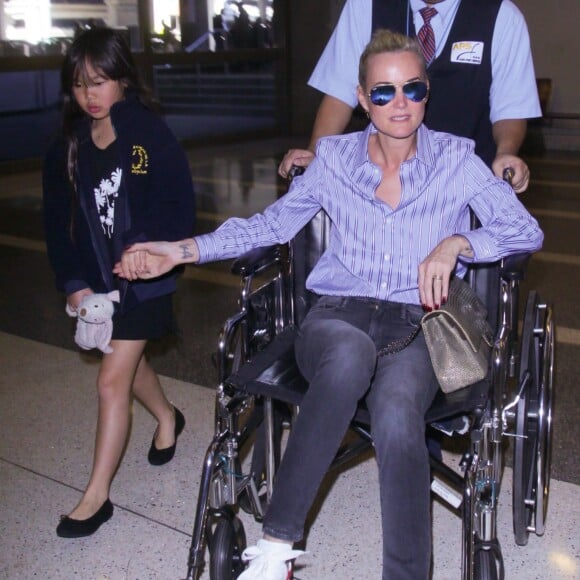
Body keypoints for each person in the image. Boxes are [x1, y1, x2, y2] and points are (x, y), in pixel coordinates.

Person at [114, 29, 543, 580]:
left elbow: (522, 230)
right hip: (338, 314)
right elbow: (270, 226)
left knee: (396, 410)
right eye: (383, 92)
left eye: (412, 88)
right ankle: (276, 546)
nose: (400, 104)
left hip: (419, 324)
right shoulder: (335, 159)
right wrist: (179, 251)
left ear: (426, 91)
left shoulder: (457, 160)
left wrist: (459, 243)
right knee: (347, 356)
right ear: (363, 99)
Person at [42, 27, 196, 538]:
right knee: (128, 364)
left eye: (101, 81)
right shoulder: (69, 145)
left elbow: (174, 202)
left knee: (111, 379)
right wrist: (73, 283)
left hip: (146, 281)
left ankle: (96, 497)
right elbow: (57, 221)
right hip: (100, 285)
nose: (91, 94)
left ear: (123, 80)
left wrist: (148, 250)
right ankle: (168, 416)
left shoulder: (143, 136)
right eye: (81, 84)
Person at [279, 0, 541, 194]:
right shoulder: (366, 6)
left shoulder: (501, 16)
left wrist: (506, 154)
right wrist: (315, 153)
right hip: (379, 185)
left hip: (466, 185)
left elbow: (510, 108)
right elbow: (338, 93)